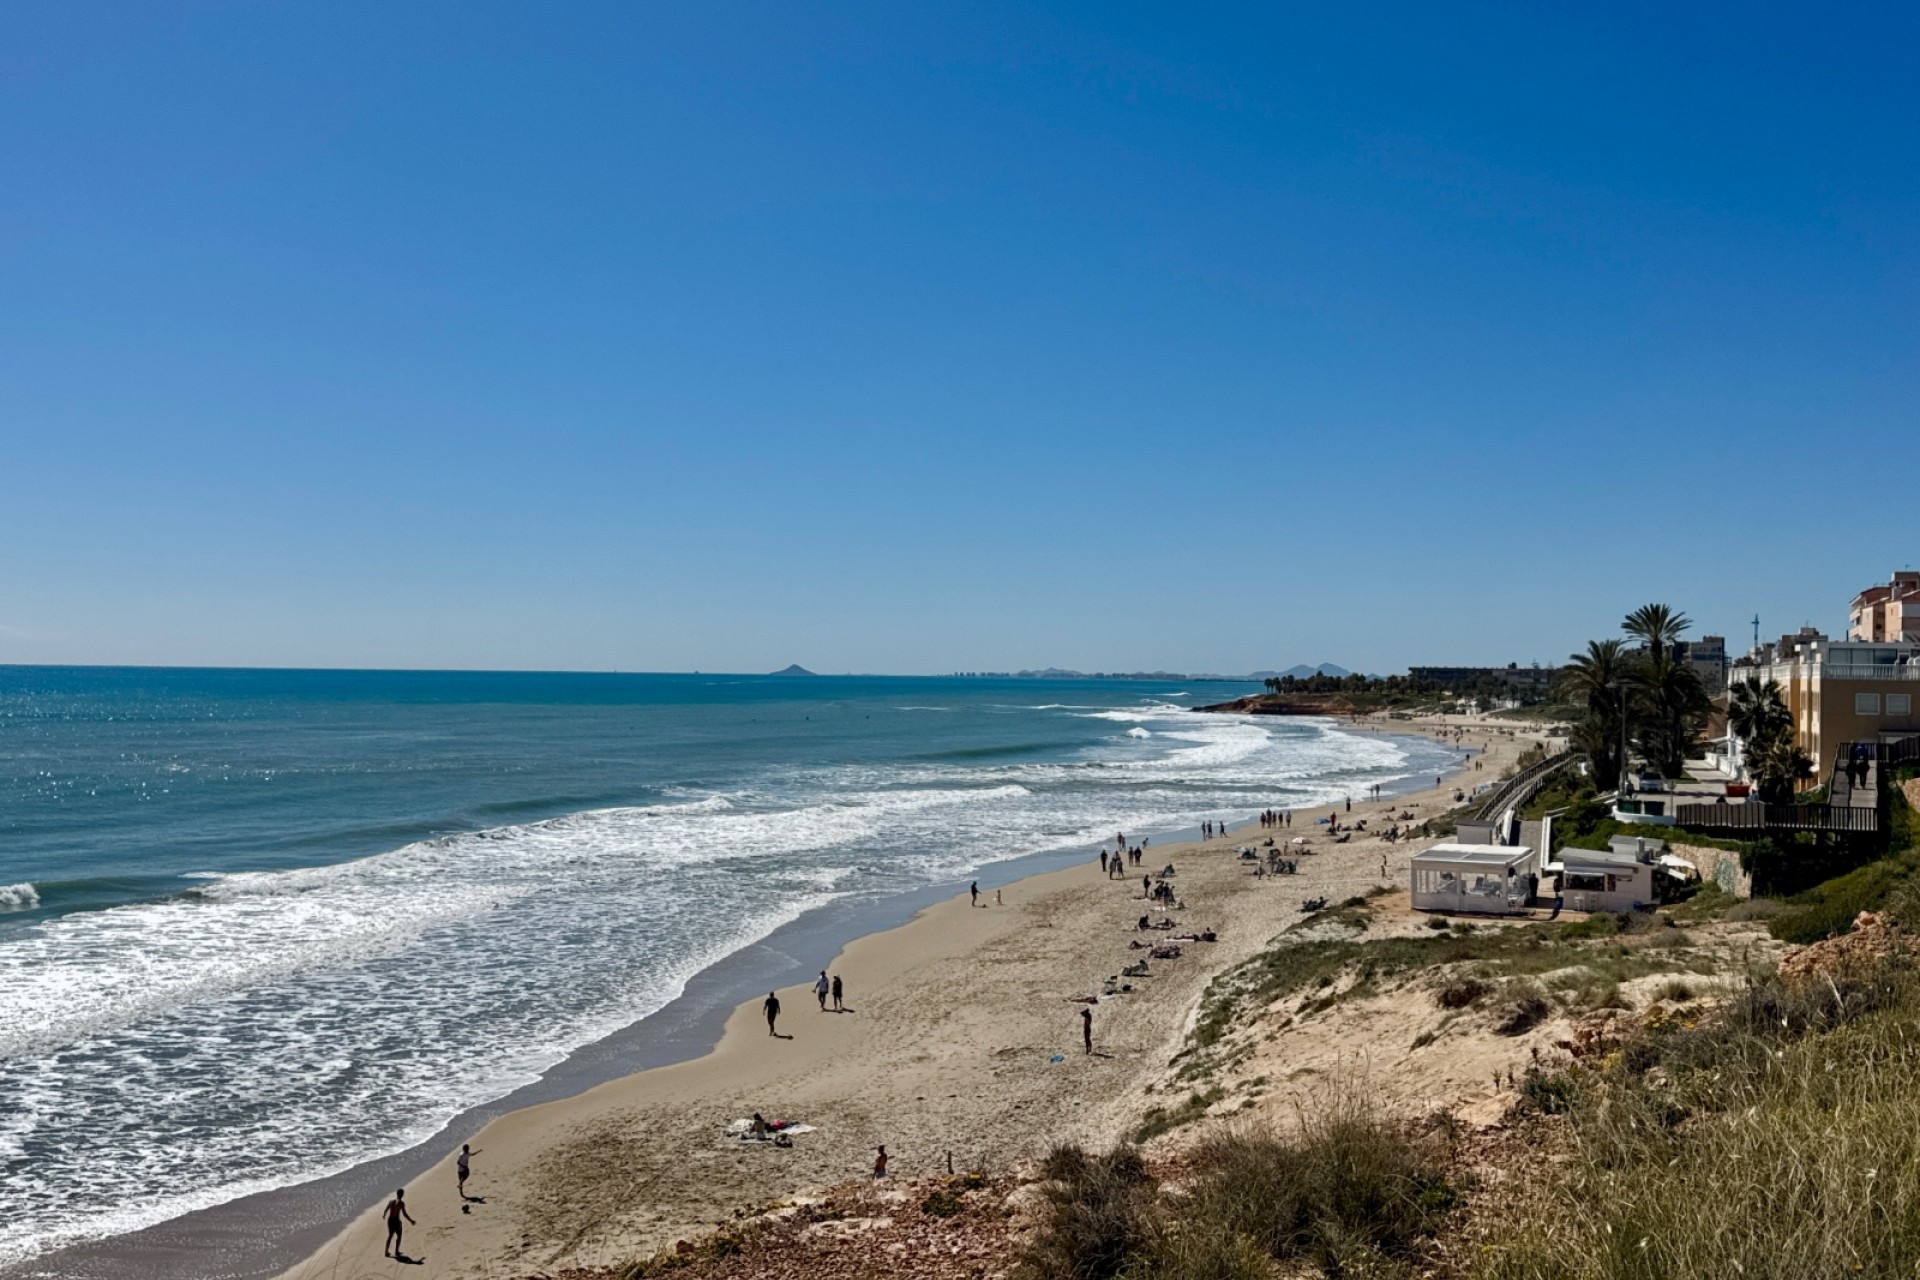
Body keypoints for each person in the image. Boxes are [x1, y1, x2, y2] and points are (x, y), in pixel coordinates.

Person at [383, 1188, 415, 1259]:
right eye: (402, 1194)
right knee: (399, 1236)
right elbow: (404, 1214)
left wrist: (384, 1214)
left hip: (390, 1220)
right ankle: (396, 1251)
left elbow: (386, 1209)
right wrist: (411, 1221)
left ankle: (386, 1252)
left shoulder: (391, 1202)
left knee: (390, 1235)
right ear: (402, 1194)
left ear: (397, 1194)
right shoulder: (401, 1203)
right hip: (396, 1221)